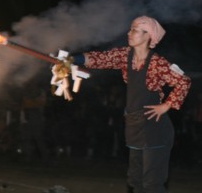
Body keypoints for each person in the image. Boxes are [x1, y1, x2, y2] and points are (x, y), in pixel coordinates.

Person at [59, 16, 191, 193]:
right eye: (131, 29)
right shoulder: (124, 56)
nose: (129, 33)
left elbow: (183, 81)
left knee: (152, 183)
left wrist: (167, 105)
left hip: (154, 128)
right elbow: (100, 58)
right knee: (135, 180)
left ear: (147, 36)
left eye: (135, 30)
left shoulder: (157, 63)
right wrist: (72, 60)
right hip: (134, 124)